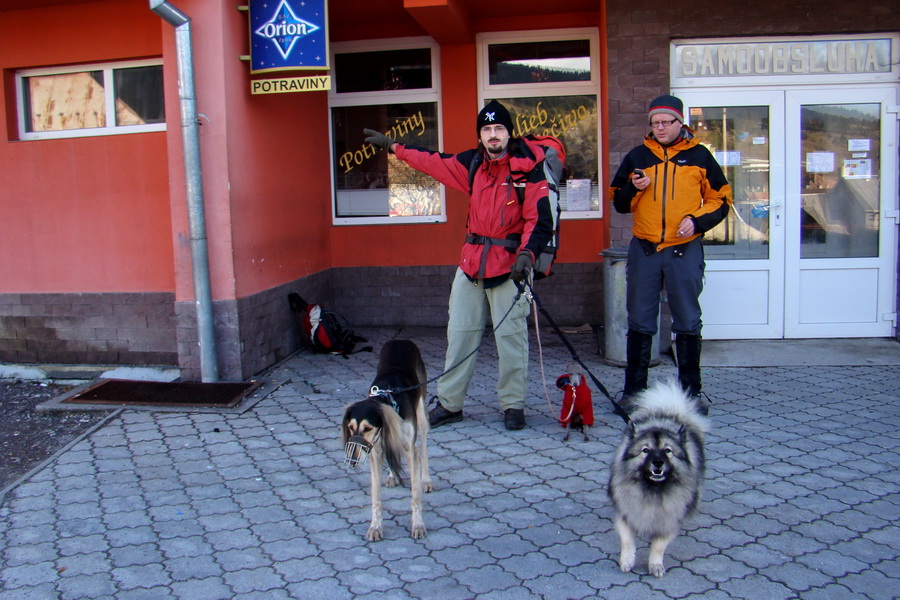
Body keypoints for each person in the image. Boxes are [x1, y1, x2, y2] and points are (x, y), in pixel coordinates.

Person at [363, 100, 555, 430]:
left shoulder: (528, 169)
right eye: (486, 129)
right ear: (480, 135)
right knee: (460, 335)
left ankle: (513, 405)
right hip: (470, 266)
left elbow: (540, 220)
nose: (493, 135)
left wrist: (527, 256)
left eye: (498, 129)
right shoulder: (472, 164)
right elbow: (431, 161)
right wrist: (394, 147)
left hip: (511, 267)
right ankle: (451, 404)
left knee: (511, 341)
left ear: (508, 132)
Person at [608, 94, 732, 414]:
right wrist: (634, 187)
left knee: (688, 320)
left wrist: (698, 221)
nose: (660, 127)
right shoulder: (638, 156)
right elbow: (618, 203)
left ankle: (690, 395)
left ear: (680, 123)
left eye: (666, 122)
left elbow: (721, 199)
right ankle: (634, 394)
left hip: (685, 250)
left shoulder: (700, 156)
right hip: (645, 250)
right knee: (640, 320)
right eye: (655, 122)